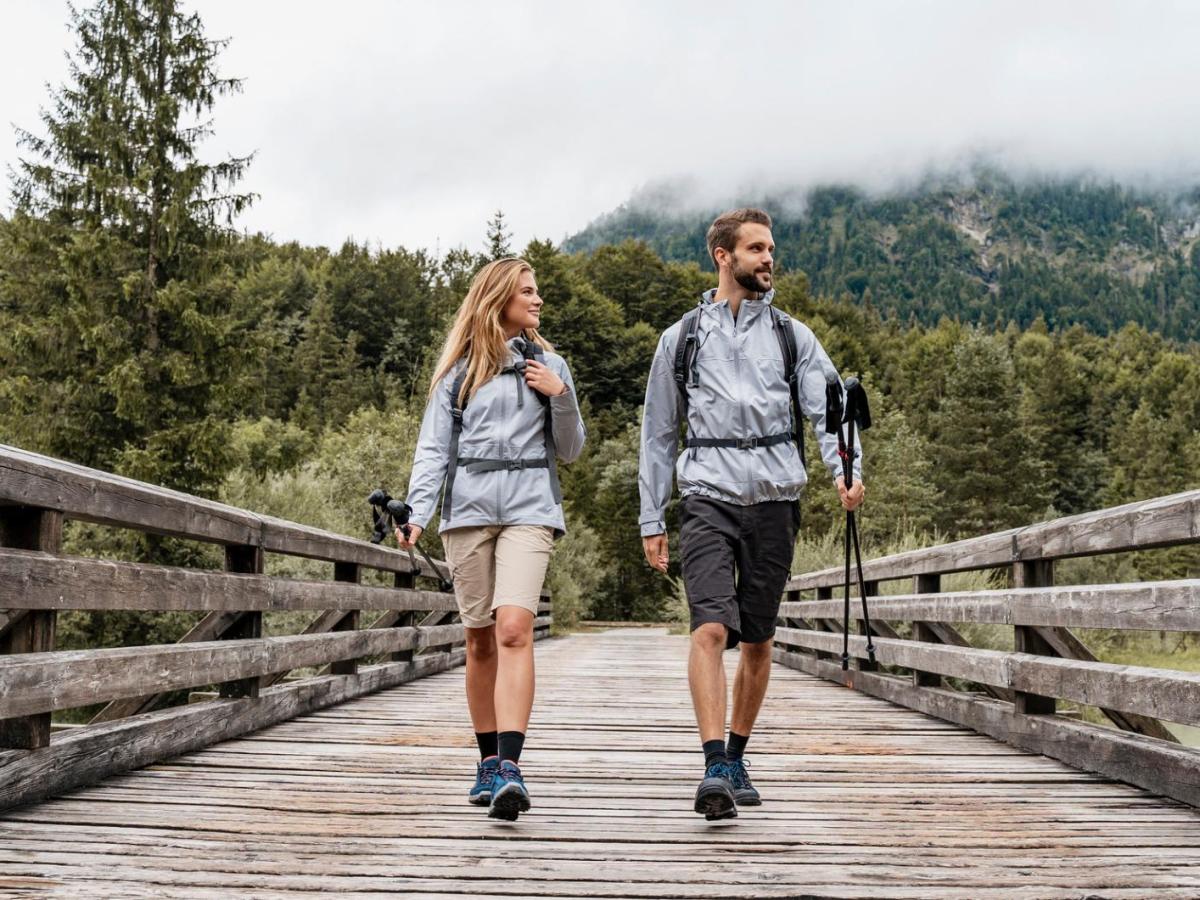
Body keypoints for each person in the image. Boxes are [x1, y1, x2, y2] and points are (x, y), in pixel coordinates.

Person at [638, 208, 864, 820]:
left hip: (774, 499)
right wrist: (651, 518)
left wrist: (847, 471)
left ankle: (737, 754)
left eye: (771, 250)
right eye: (758, 249)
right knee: (710, 628)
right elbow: (658, 433)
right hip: (706, 494)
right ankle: (714, 764)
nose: (769, 259)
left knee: (759, 639)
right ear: (723, 256)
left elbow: (831, 411)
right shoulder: (682, 338)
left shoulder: (794, 336)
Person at [402, 257, 586, 821]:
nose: (537, 300)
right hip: (468, 514)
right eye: (527, 292)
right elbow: (433, 450)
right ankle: (486, 763)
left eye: (537, 292)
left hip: (532, 510)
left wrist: (560, 394)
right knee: (479, 638)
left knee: (513, 629)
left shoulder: (550, 366)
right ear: (499, 298)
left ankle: (510, 766)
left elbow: (572, 448)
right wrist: (417, 513)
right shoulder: (458, 374)